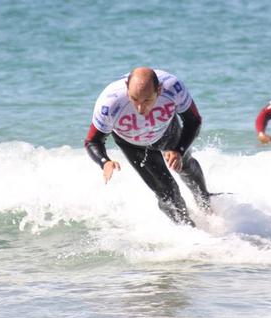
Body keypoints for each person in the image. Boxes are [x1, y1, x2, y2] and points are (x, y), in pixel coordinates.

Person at [84, 67, 211, 227]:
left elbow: (194, 120)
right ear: (126, 86)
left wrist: (179, 150)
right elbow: (92, 141)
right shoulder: (110, 102)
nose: (140, 109)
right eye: (134, 98)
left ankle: (206, 205)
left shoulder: (173, 87)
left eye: (147, 100)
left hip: (167, 131)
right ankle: (190, 232)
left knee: (185, 165)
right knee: (168, 193)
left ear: (159, 90)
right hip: (134, 145)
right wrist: (105, 162)